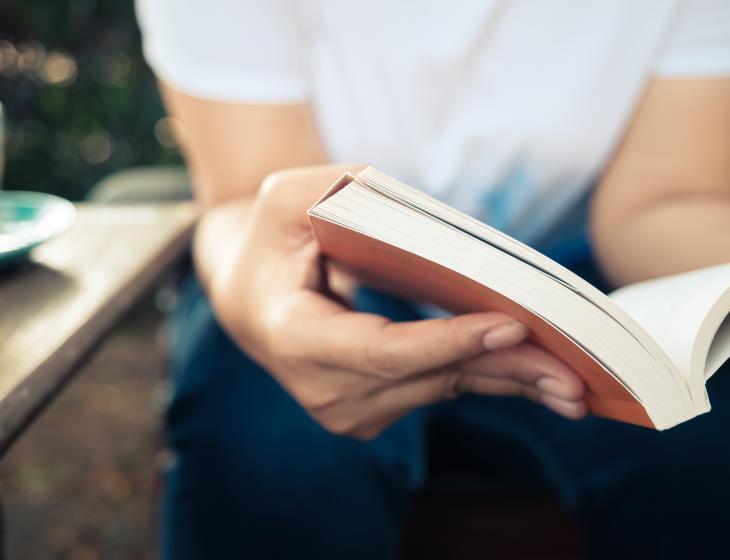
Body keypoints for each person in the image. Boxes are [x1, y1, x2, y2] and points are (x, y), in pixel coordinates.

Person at [135, 1, 730, 558]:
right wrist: (271, 315)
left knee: (704, 433)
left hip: (573, 276)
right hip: (329, 265)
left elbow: (666, 199)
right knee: (266, 440)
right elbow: (248, 193)